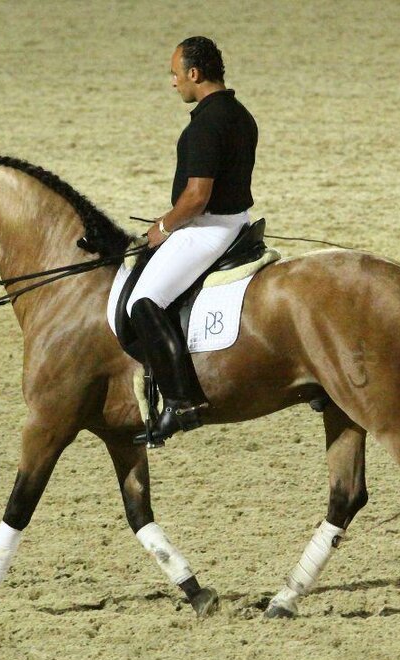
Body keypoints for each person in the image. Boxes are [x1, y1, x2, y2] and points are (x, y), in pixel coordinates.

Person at [127, 36, 259, 444]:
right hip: (237, 222)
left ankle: (181, 402)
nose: (174, 82)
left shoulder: (206, 123)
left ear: (194, 73)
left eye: (175, 74)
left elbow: (197, 197)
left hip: (207, 229)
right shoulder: (240, 114)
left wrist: (163, 227)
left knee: (143, 301)